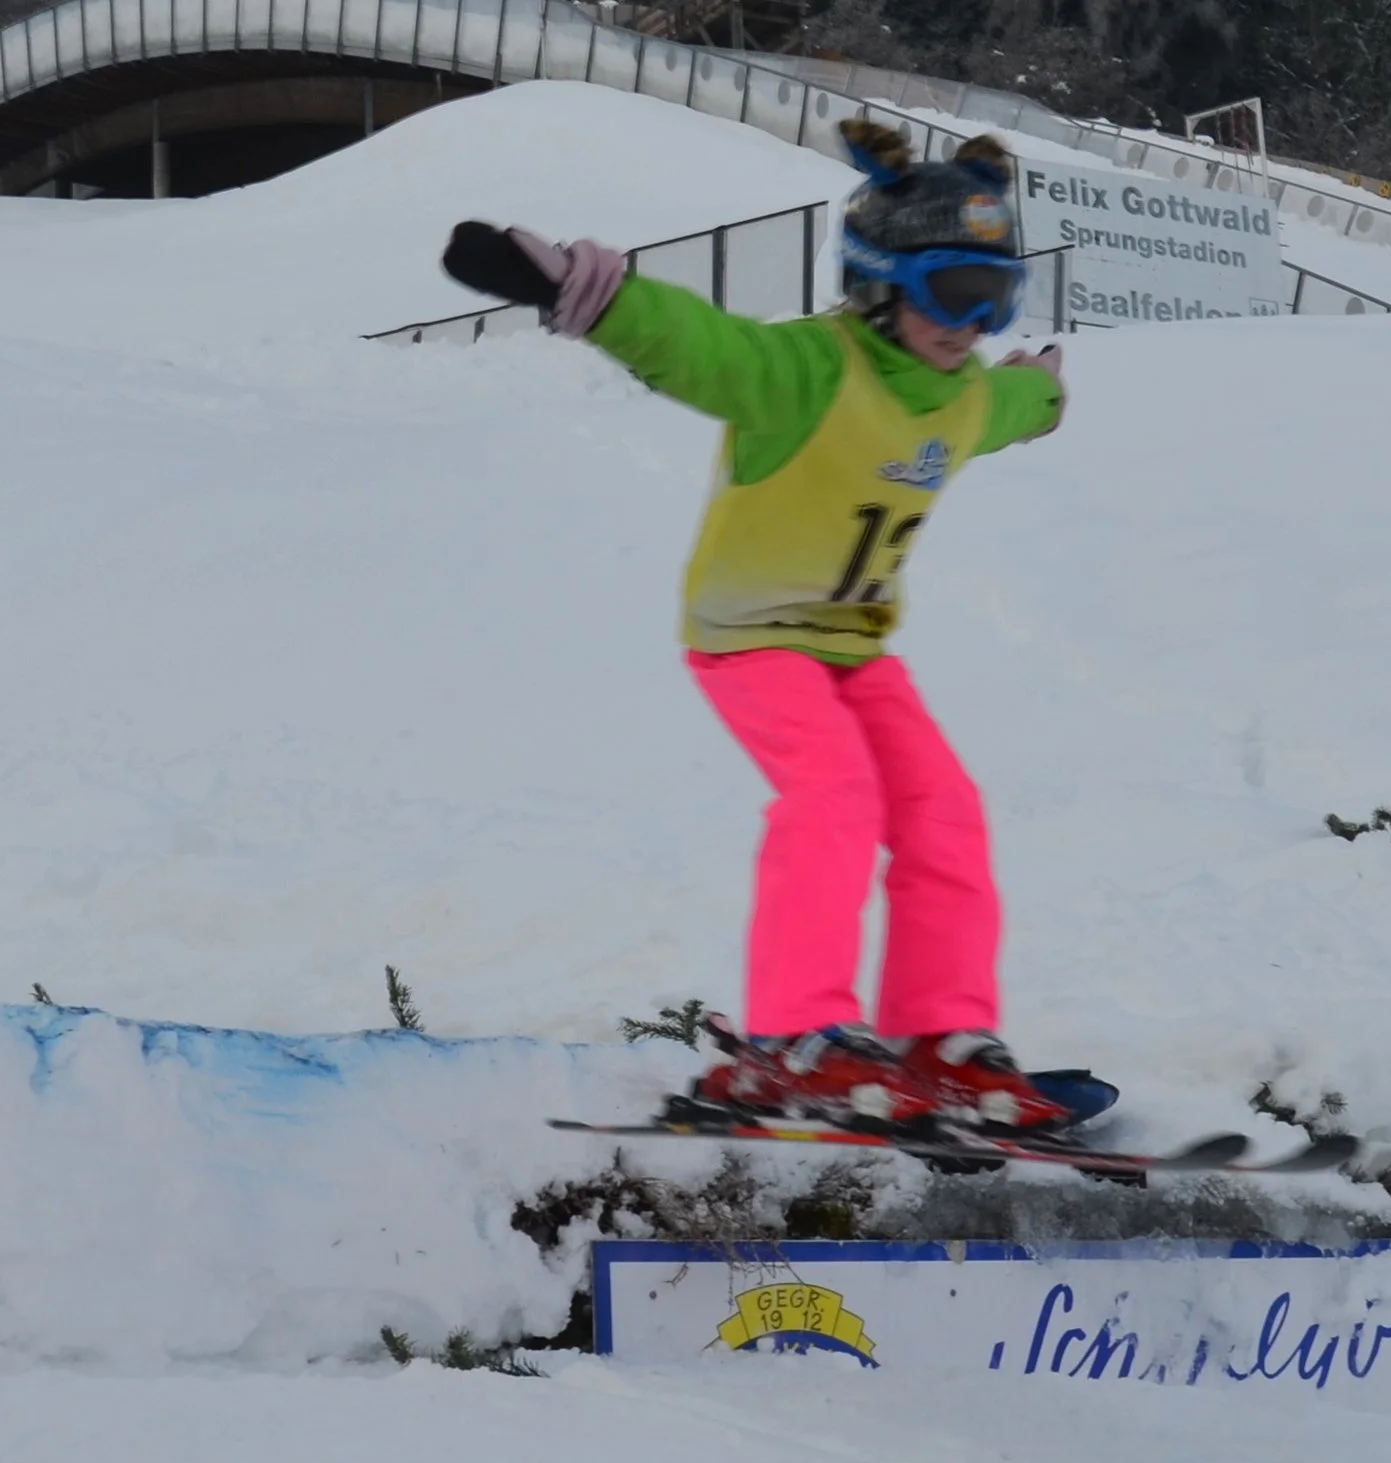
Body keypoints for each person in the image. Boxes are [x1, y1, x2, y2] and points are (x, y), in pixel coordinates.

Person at [441, 119, 1071, 1138]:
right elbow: (703, 348)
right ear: (879, 283)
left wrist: (1041, 394)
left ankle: (940, 1038)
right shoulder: (810, 372)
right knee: (833, 794)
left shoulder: (959, 395)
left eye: (999, 299)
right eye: (956, 294)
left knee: (942, 806)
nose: (975, 324)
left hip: (853, 643)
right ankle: (795, 1039)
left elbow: (1008, 402)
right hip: (751, 634)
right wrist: (585, 293)